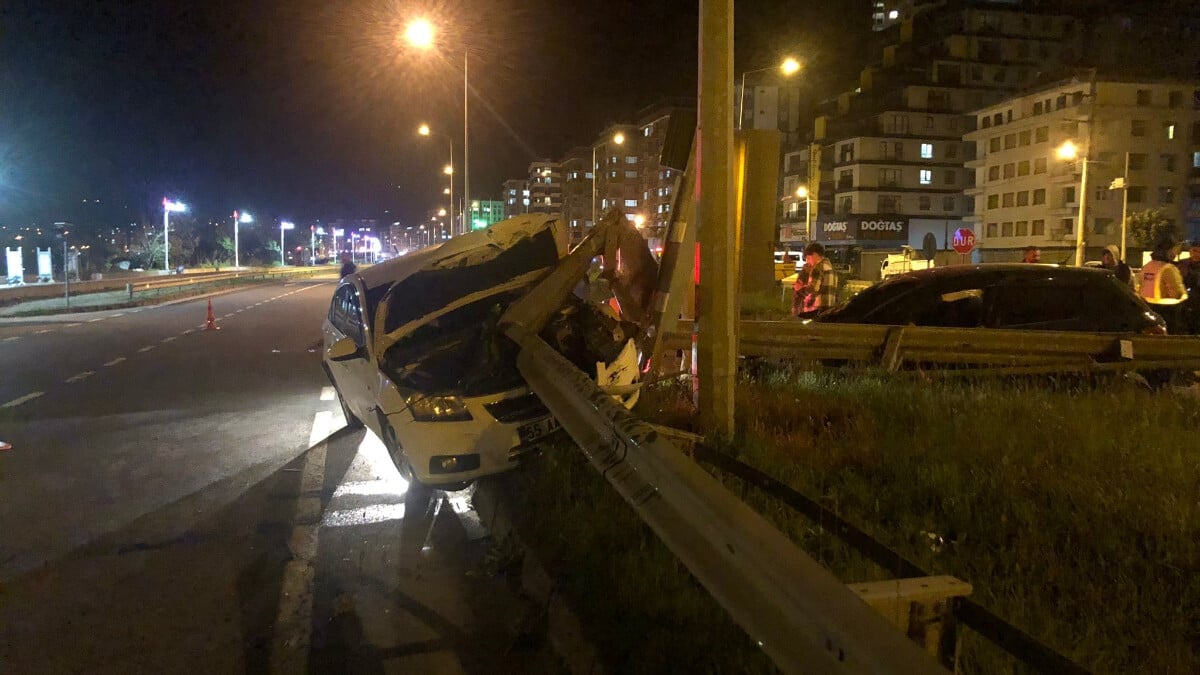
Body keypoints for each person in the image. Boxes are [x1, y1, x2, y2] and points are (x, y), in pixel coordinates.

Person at [1138, 238, 1187, 333]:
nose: (1175, 253)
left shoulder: (1147, 267)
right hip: (1168, 313)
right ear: (1167, 251)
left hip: (1147, 310)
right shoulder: (1168, 269)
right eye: (1174, 250)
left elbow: (1139, 286)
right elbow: (1177, 293)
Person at [793, 242, 837, 318]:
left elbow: (813, 288)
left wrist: (799, 289)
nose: (808, 261)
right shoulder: (831, 268)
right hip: (829, 307)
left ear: (815, 254)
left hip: (816, 309)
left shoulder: (818, 268)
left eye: (808, 258)